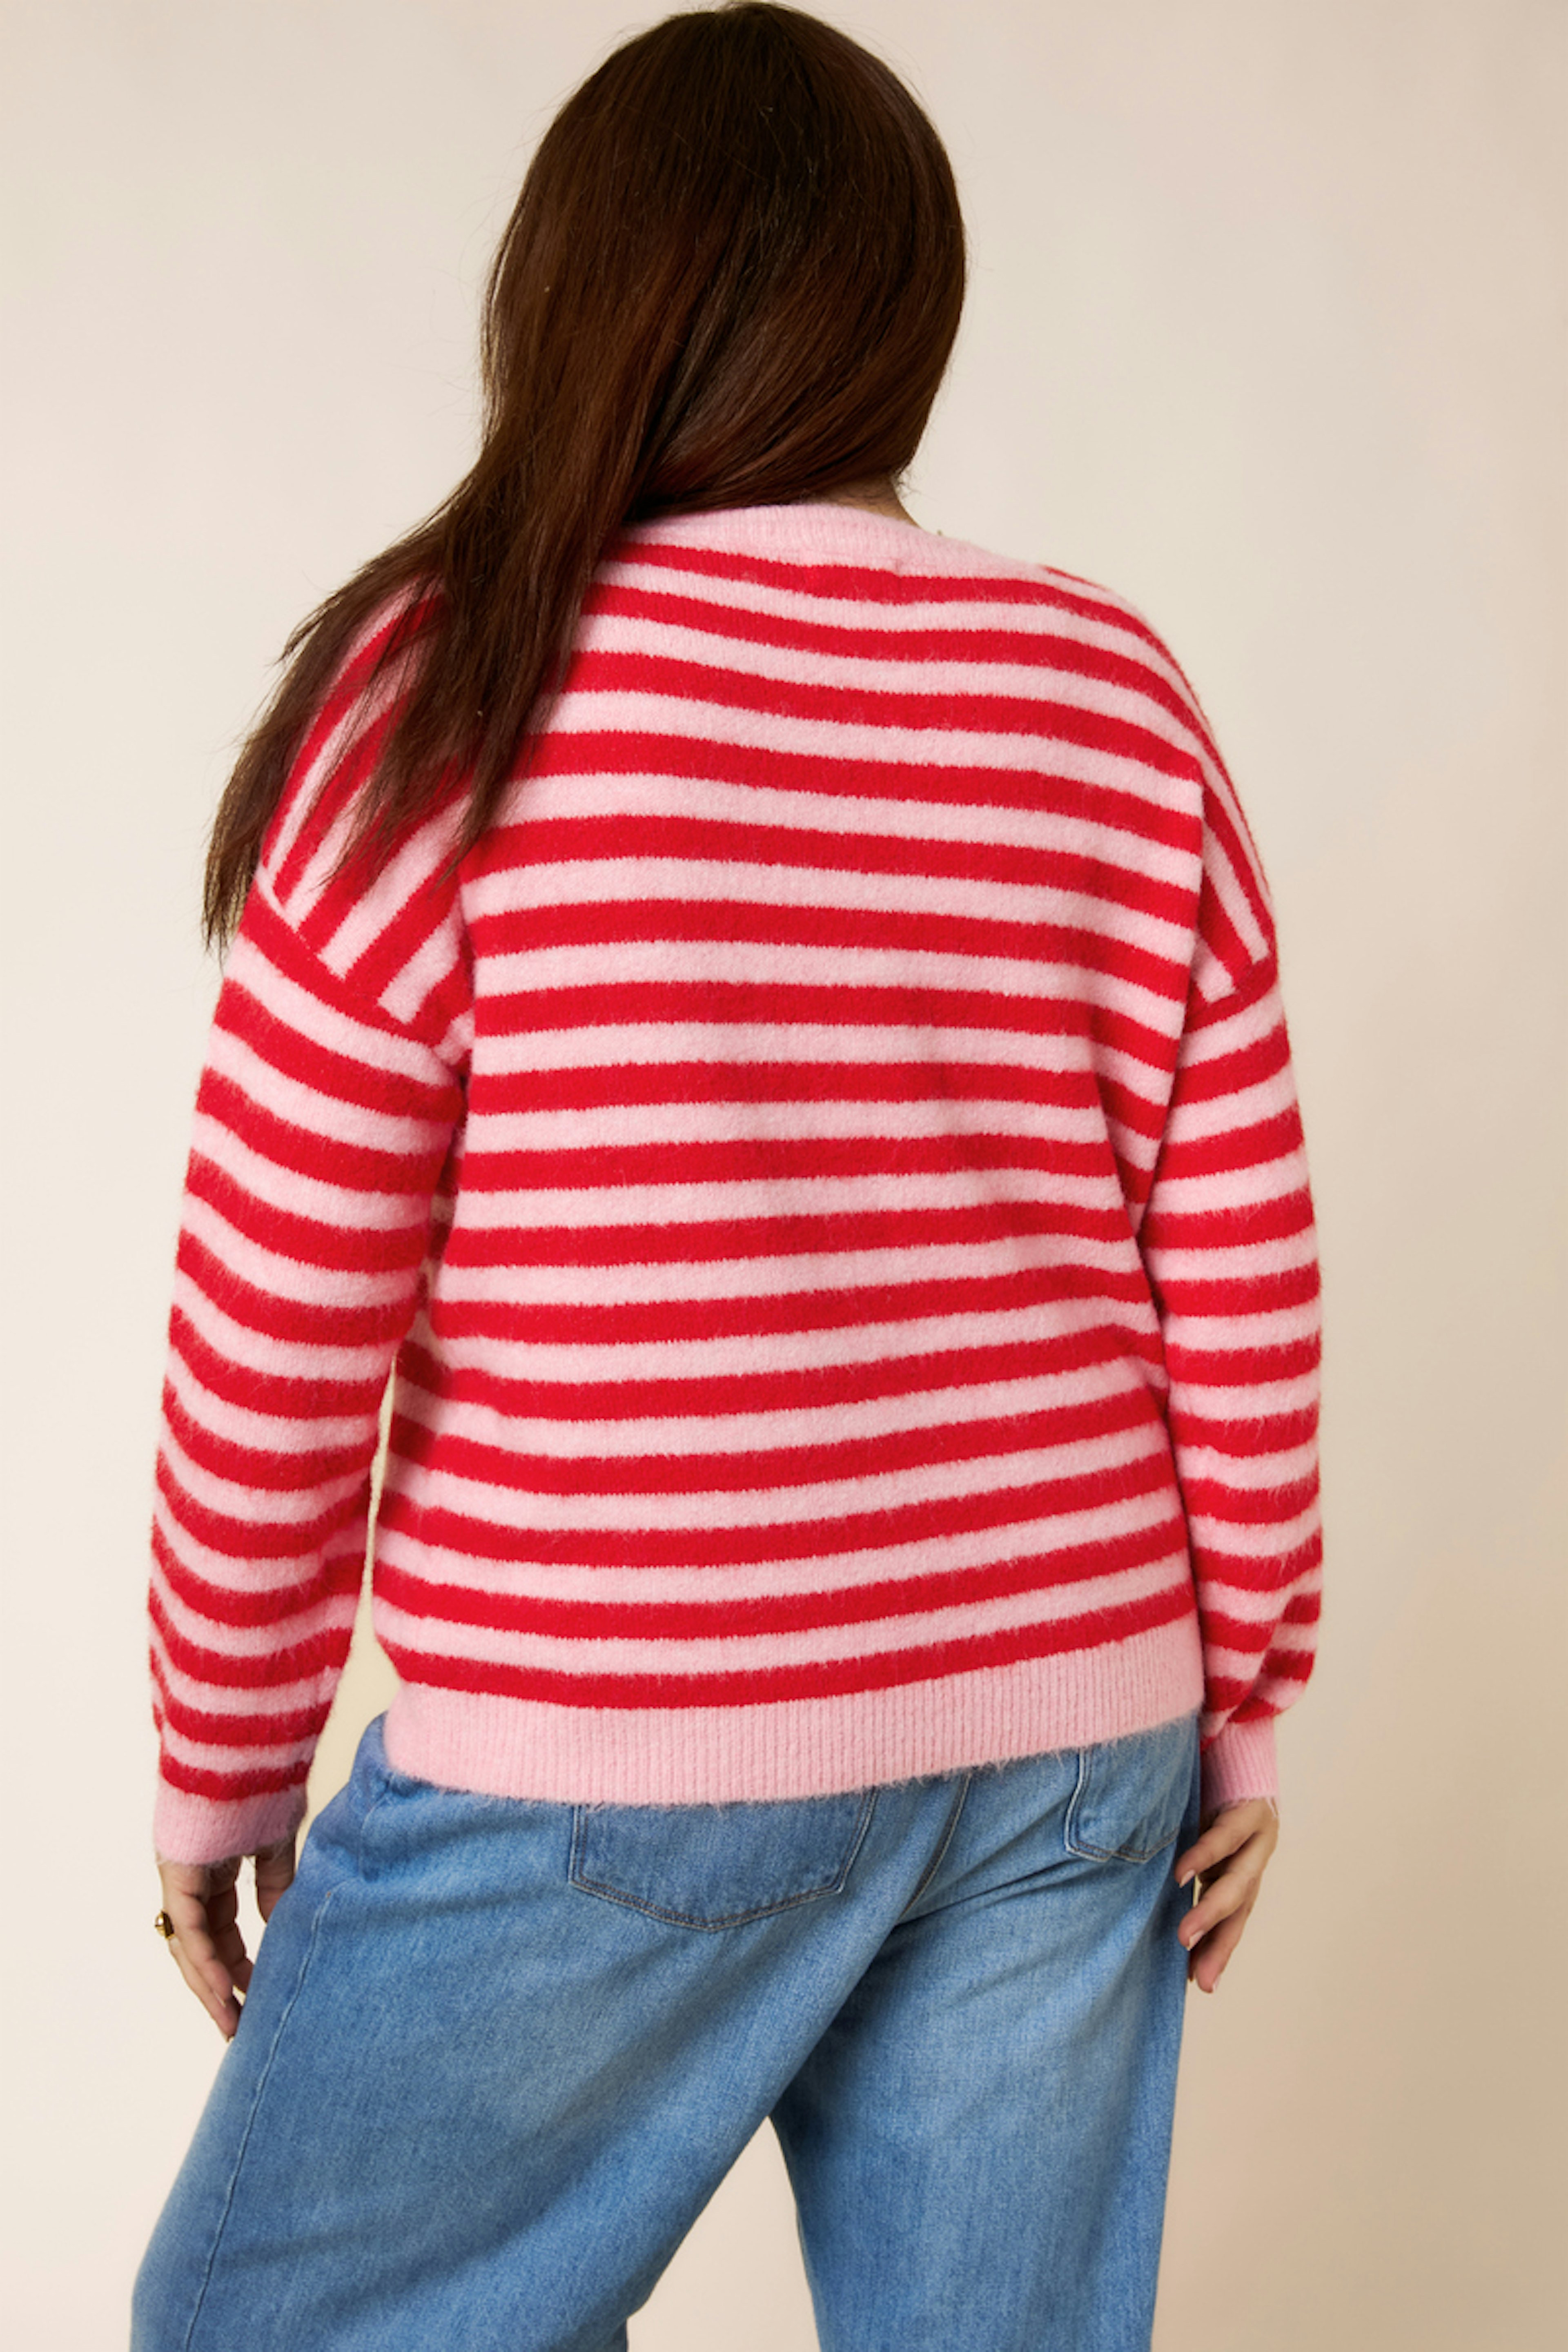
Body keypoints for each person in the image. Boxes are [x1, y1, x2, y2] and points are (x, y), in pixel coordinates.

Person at [131, 5, 1321, 2346]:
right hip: (1077, 1732)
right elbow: (1239, 1251)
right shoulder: (1110, 693)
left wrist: (221, 1765)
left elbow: (280, 1310)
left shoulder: (454, 682)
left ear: (576, 294)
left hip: (620, 1725)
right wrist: (1250, 1701)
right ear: (907, 314)